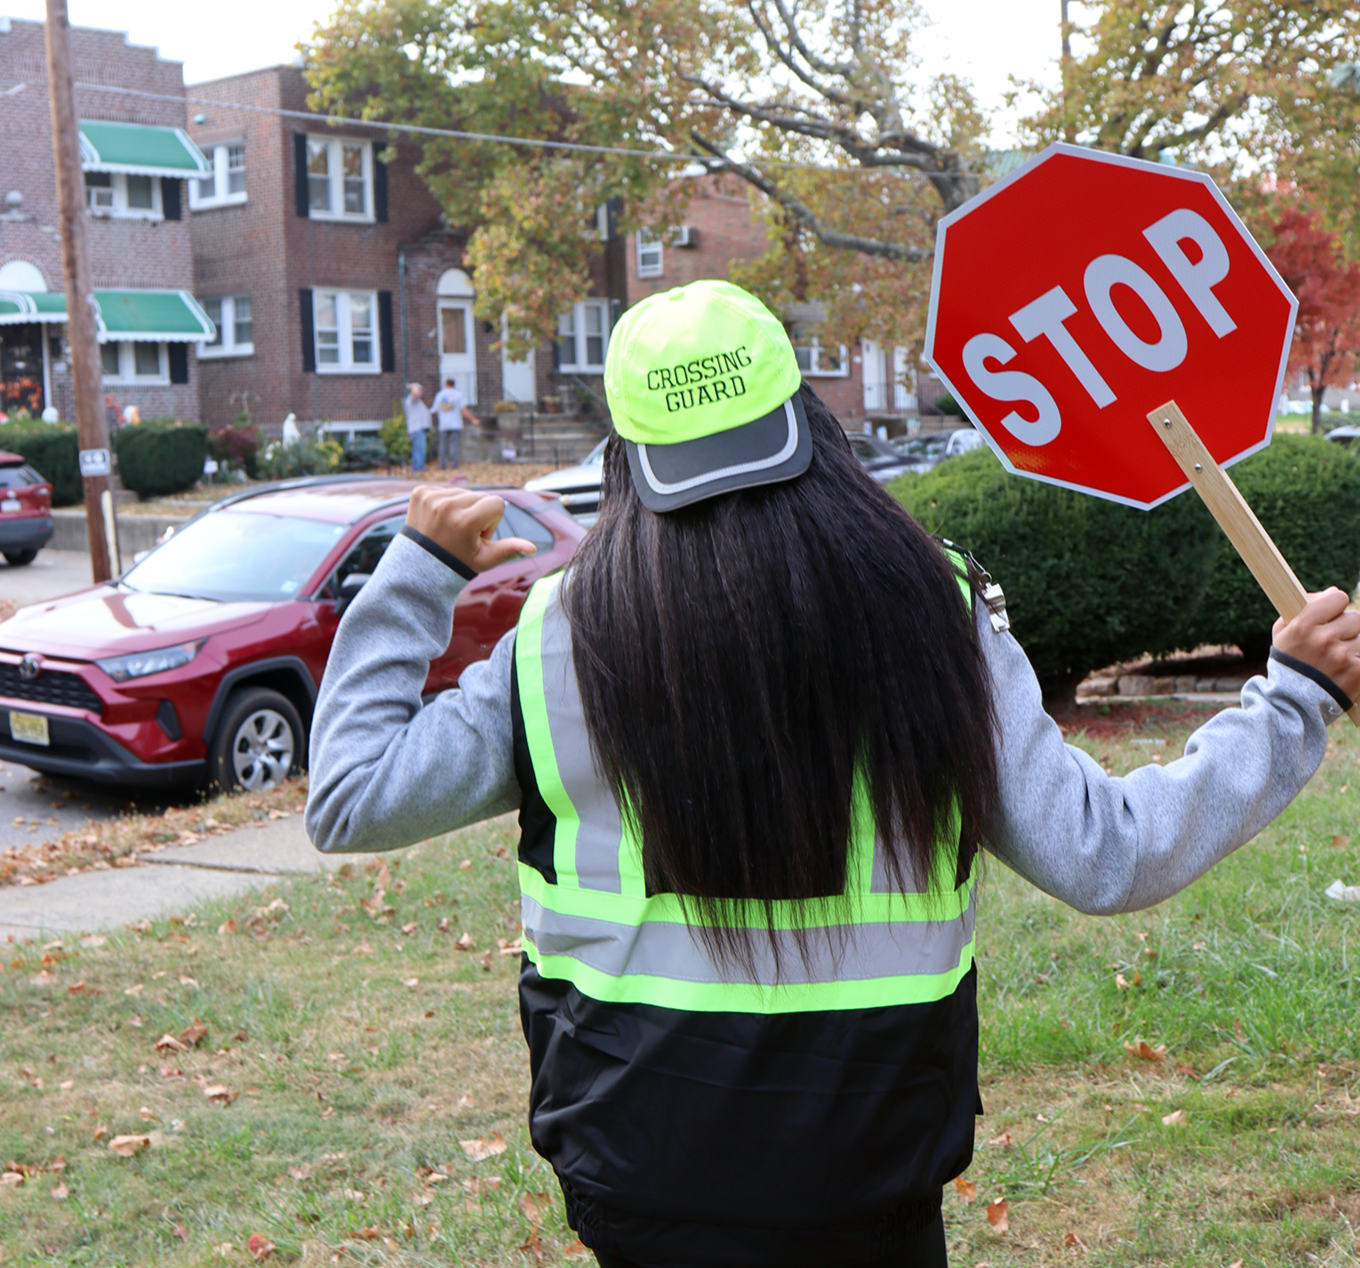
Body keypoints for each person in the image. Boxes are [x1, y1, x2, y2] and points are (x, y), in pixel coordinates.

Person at [307, 280, 1360, 1268]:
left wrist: (418, 570)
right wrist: (1293, 695)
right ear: (808, 417)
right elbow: (1108, 852)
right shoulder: (928, 608)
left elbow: (351, 798)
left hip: (636, 1160)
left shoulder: (554, 642)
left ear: (625, 454)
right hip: (872, 1160)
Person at [432, 377, 480, 469]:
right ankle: (454, 465)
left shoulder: (440, 395)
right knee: (455, 445)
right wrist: (473, 419)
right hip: (456, 424)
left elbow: (435, 410)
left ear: (445, 384)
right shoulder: (458, 395)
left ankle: (442, 465)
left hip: (444, 425)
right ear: (453, 385)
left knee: (443, 445)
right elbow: (464, 410)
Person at [403, 382, 431, 472]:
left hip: (420, 429)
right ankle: (418, 468)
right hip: (417, 429)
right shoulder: (412, 400)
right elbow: (414, 394)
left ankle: (417, 467)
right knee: (420, 449)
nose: (421, 393)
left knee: (418, 449)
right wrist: (413, 387)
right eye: (420, 391)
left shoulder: (418, 402)